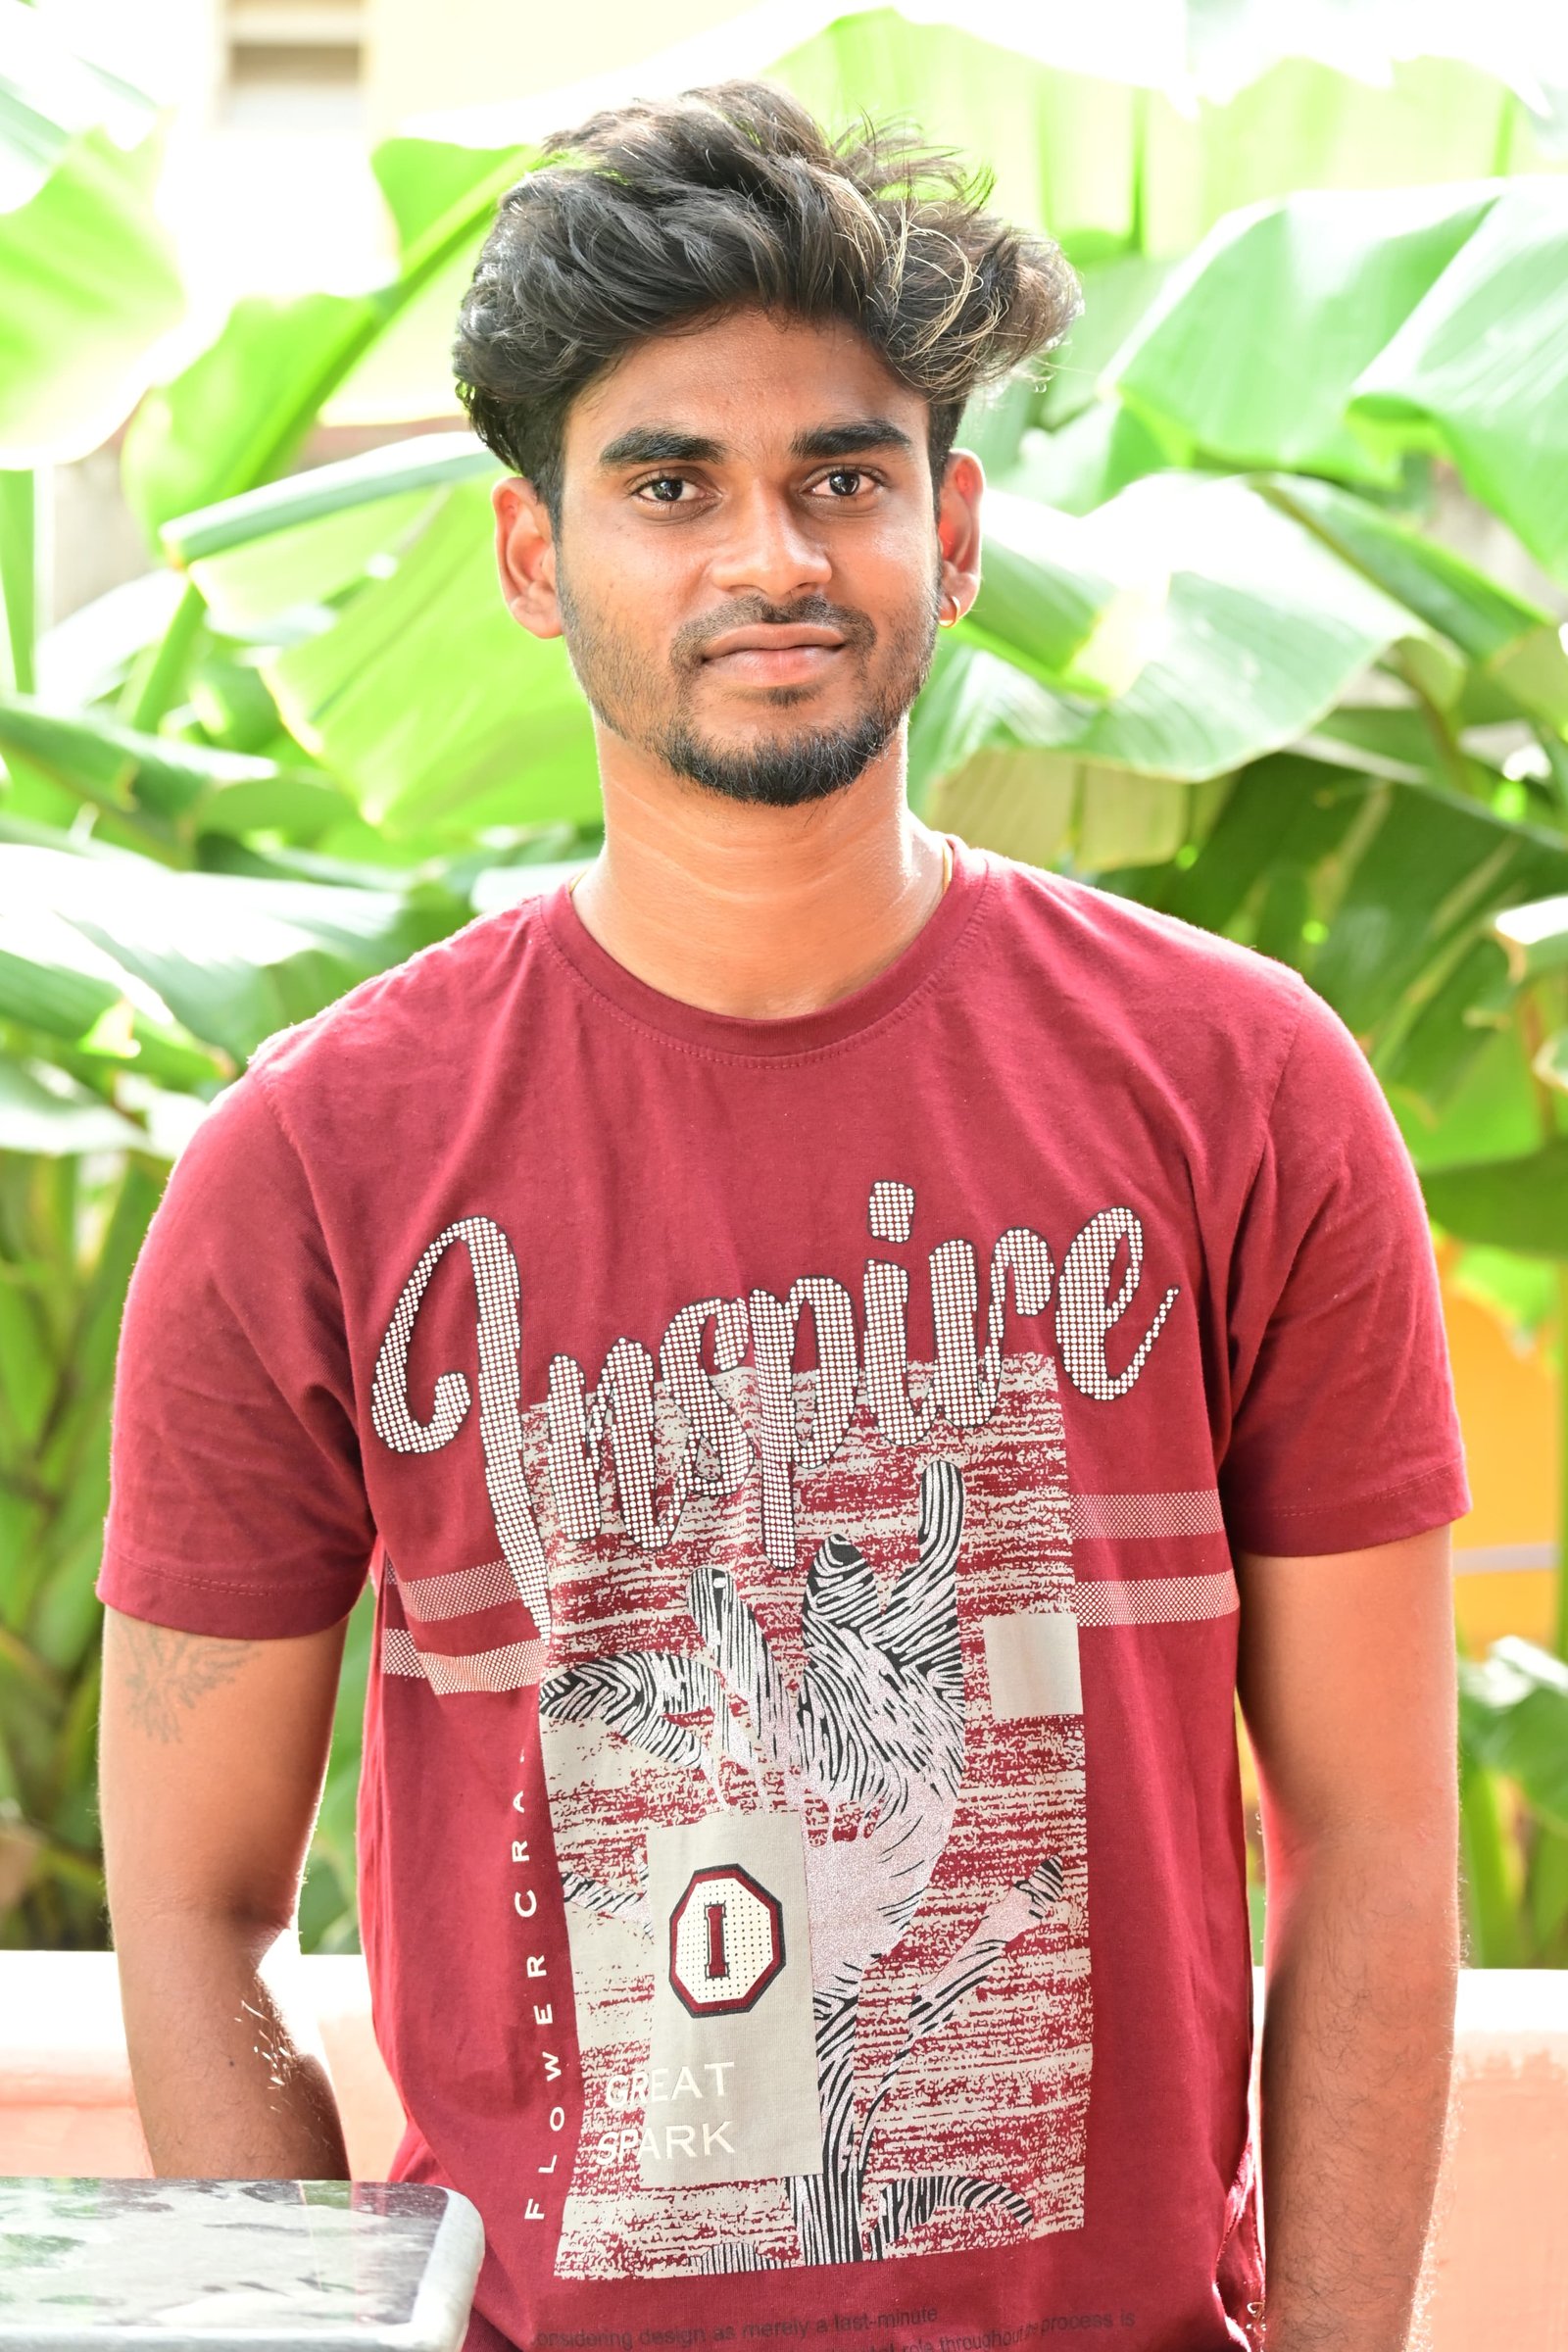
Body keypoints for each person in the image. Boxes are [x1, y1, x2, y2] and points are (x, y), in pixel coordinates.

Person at [98, 80, 1467, 2352]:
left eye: (841, 479)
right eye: (668, 486)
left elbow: (1376, 1844)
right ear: (534, 558)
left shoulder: (1238, 1090)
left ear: (951, 527)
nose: (769, 560)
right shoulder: (318, 1165)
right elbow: (191, 1905)